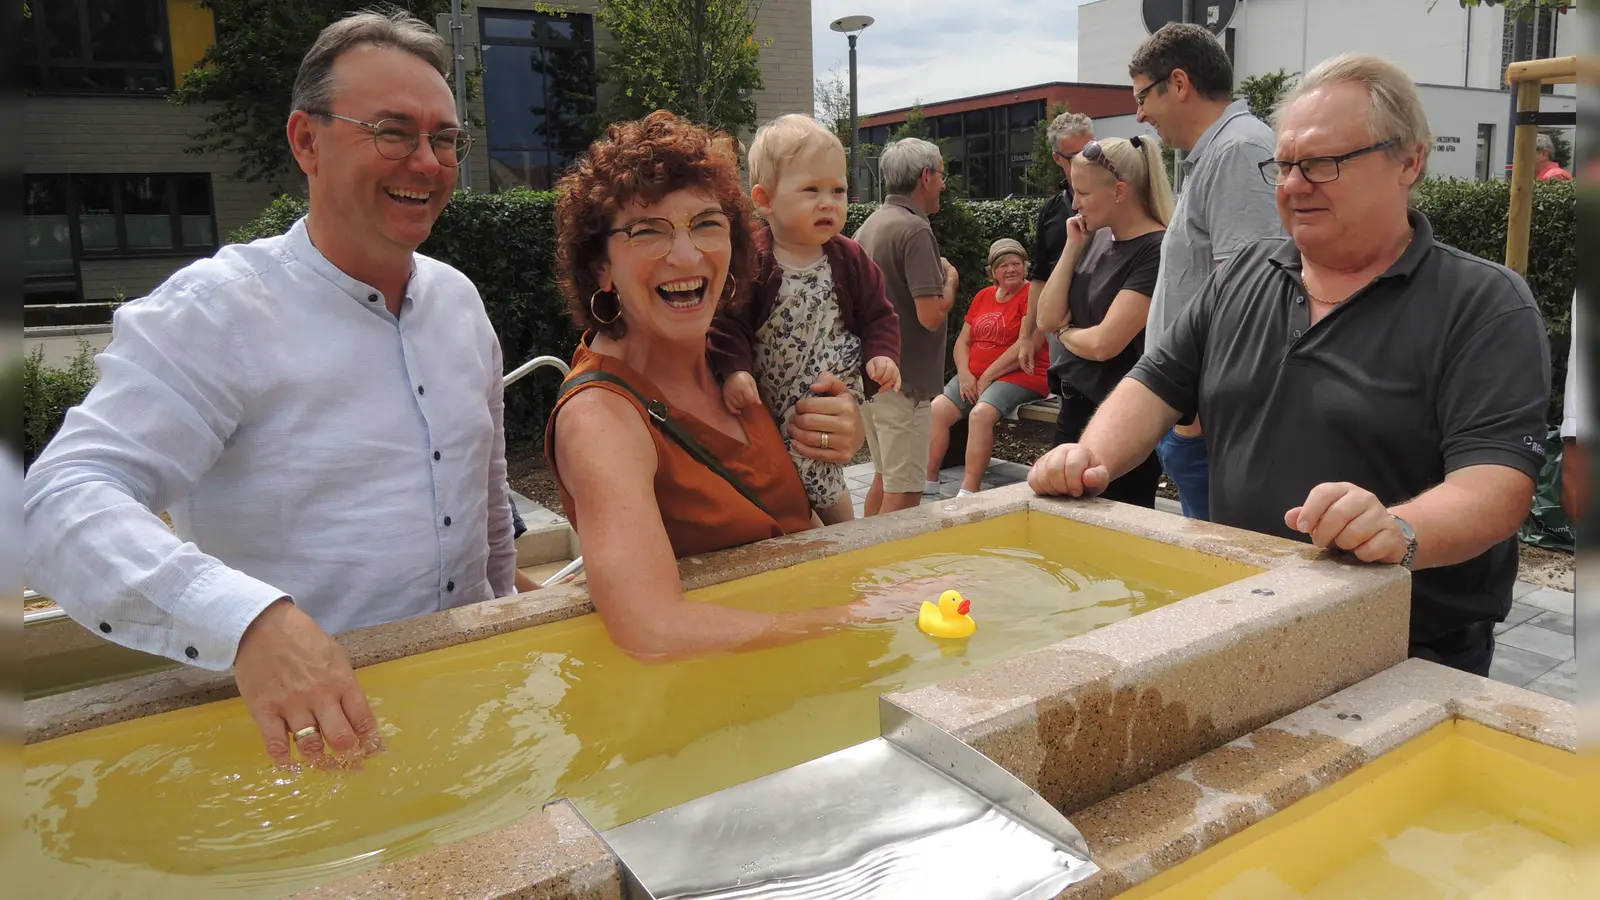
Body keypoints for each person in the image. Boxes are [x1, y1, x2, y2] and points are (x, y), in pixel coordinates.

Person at [21, 11, 517, 764]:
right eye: (392, 132)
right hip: (308, 748)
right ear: (306, 141)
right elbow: (60, 500)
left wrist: (510, 625)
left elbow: (487, 502)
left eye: (444, 139)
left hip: (476, 714)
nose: (427, 162)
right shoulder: (216, 312)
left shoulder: (459, 302)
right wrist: (250, 620)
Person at [1028, 53, 1551, 678]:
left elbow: (1497, 484)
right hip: (1244, 617)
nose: (1295, 184)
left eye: (1323, 163)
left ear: (1409, 161)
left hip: (1406, 650)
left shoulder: (1484, 303)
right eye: (1283, 165)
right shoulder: (1242, 275)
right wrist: (1092, 457)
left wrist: (1399, 528)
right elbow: (1156, 382)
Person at [546, 111, 916, 663]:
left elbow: (787, 513)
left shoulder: (736, 369)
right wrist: (864, 616)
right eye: (648, 230)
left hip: (799, 683)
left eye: (707, 224)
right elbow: (652, 629)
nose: (688, 255)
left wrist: (839, 428)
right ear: (601, 263)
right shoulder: (602, 418)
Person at [708, 114, 901, 525]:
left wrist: (881, 357)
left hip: (825, 384)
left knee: (820, 471)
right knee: (784, 475)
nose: (828, 202)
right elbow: (729, 324)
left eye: (838, 190)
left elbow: (878, 314)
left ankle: (843, 534)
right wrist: (734, 371)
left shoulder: (849, 257)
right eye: (811, 189)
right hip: (773, 389)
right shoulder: (754, 261)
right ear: (765, 200)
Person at [1128, 22, 1283, 520]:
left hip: (1208, 422)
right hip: (1198, 415)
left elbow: (1251, 296)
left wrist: (1192, 417)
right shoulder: (1222, 151)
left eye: (1142, 96)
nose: (1139, 113)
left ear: (1178, 83)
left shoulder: (1239, 151)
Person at [1033, 137, 1171, 508]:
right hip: (1073, 407)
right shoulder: (1093, 237)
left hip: (1118, 420)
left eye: (1083, 193)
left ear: (1120, 191)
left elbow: (1104, 343)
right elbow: (1045, 318)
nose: (1074, 204)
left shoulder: (1156, 249)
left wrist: (1065, 332)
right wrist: (1072, 247)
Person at [852, 138, 960, 515]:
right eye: (942, 175)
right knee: (905, 496)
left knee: (884, 479)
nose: (944, 185)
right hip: (906, 384)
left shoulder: (870, 225)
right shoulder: (915, 230)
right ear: (926, 176)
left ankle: (864, 567)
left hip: (874, 378)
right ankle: (886, 576)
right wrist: (950, 281)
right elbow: (930, 314)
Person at [924, 239, 1050, 496]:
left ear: (1026, 267)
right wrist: (965, 374)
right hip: (976, 376)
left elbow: (1028, 345)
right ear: (993, 272)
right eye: (1003, 265)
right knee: (936, 409)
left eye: (1016, 263)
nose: (1011, 269)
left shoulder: (1032, 295)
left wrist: (987, 376)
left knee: (980, 415)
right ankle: (928, 480)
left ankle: (969, 490)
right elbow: (963, 342)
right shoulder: (983, 296)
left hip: (1022, 373)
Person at [1015, 111, 1107, 391]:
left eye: (1093, 150)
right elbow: (1039, 277)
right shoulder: (1052, 211)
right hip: (1062, 326)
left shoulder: (1118, 198)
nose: (1089, 160)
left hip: (1108, 323)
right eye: (1078, 154)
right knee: (1067, 401)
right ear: (1058, 159)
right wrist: (1029, 335)